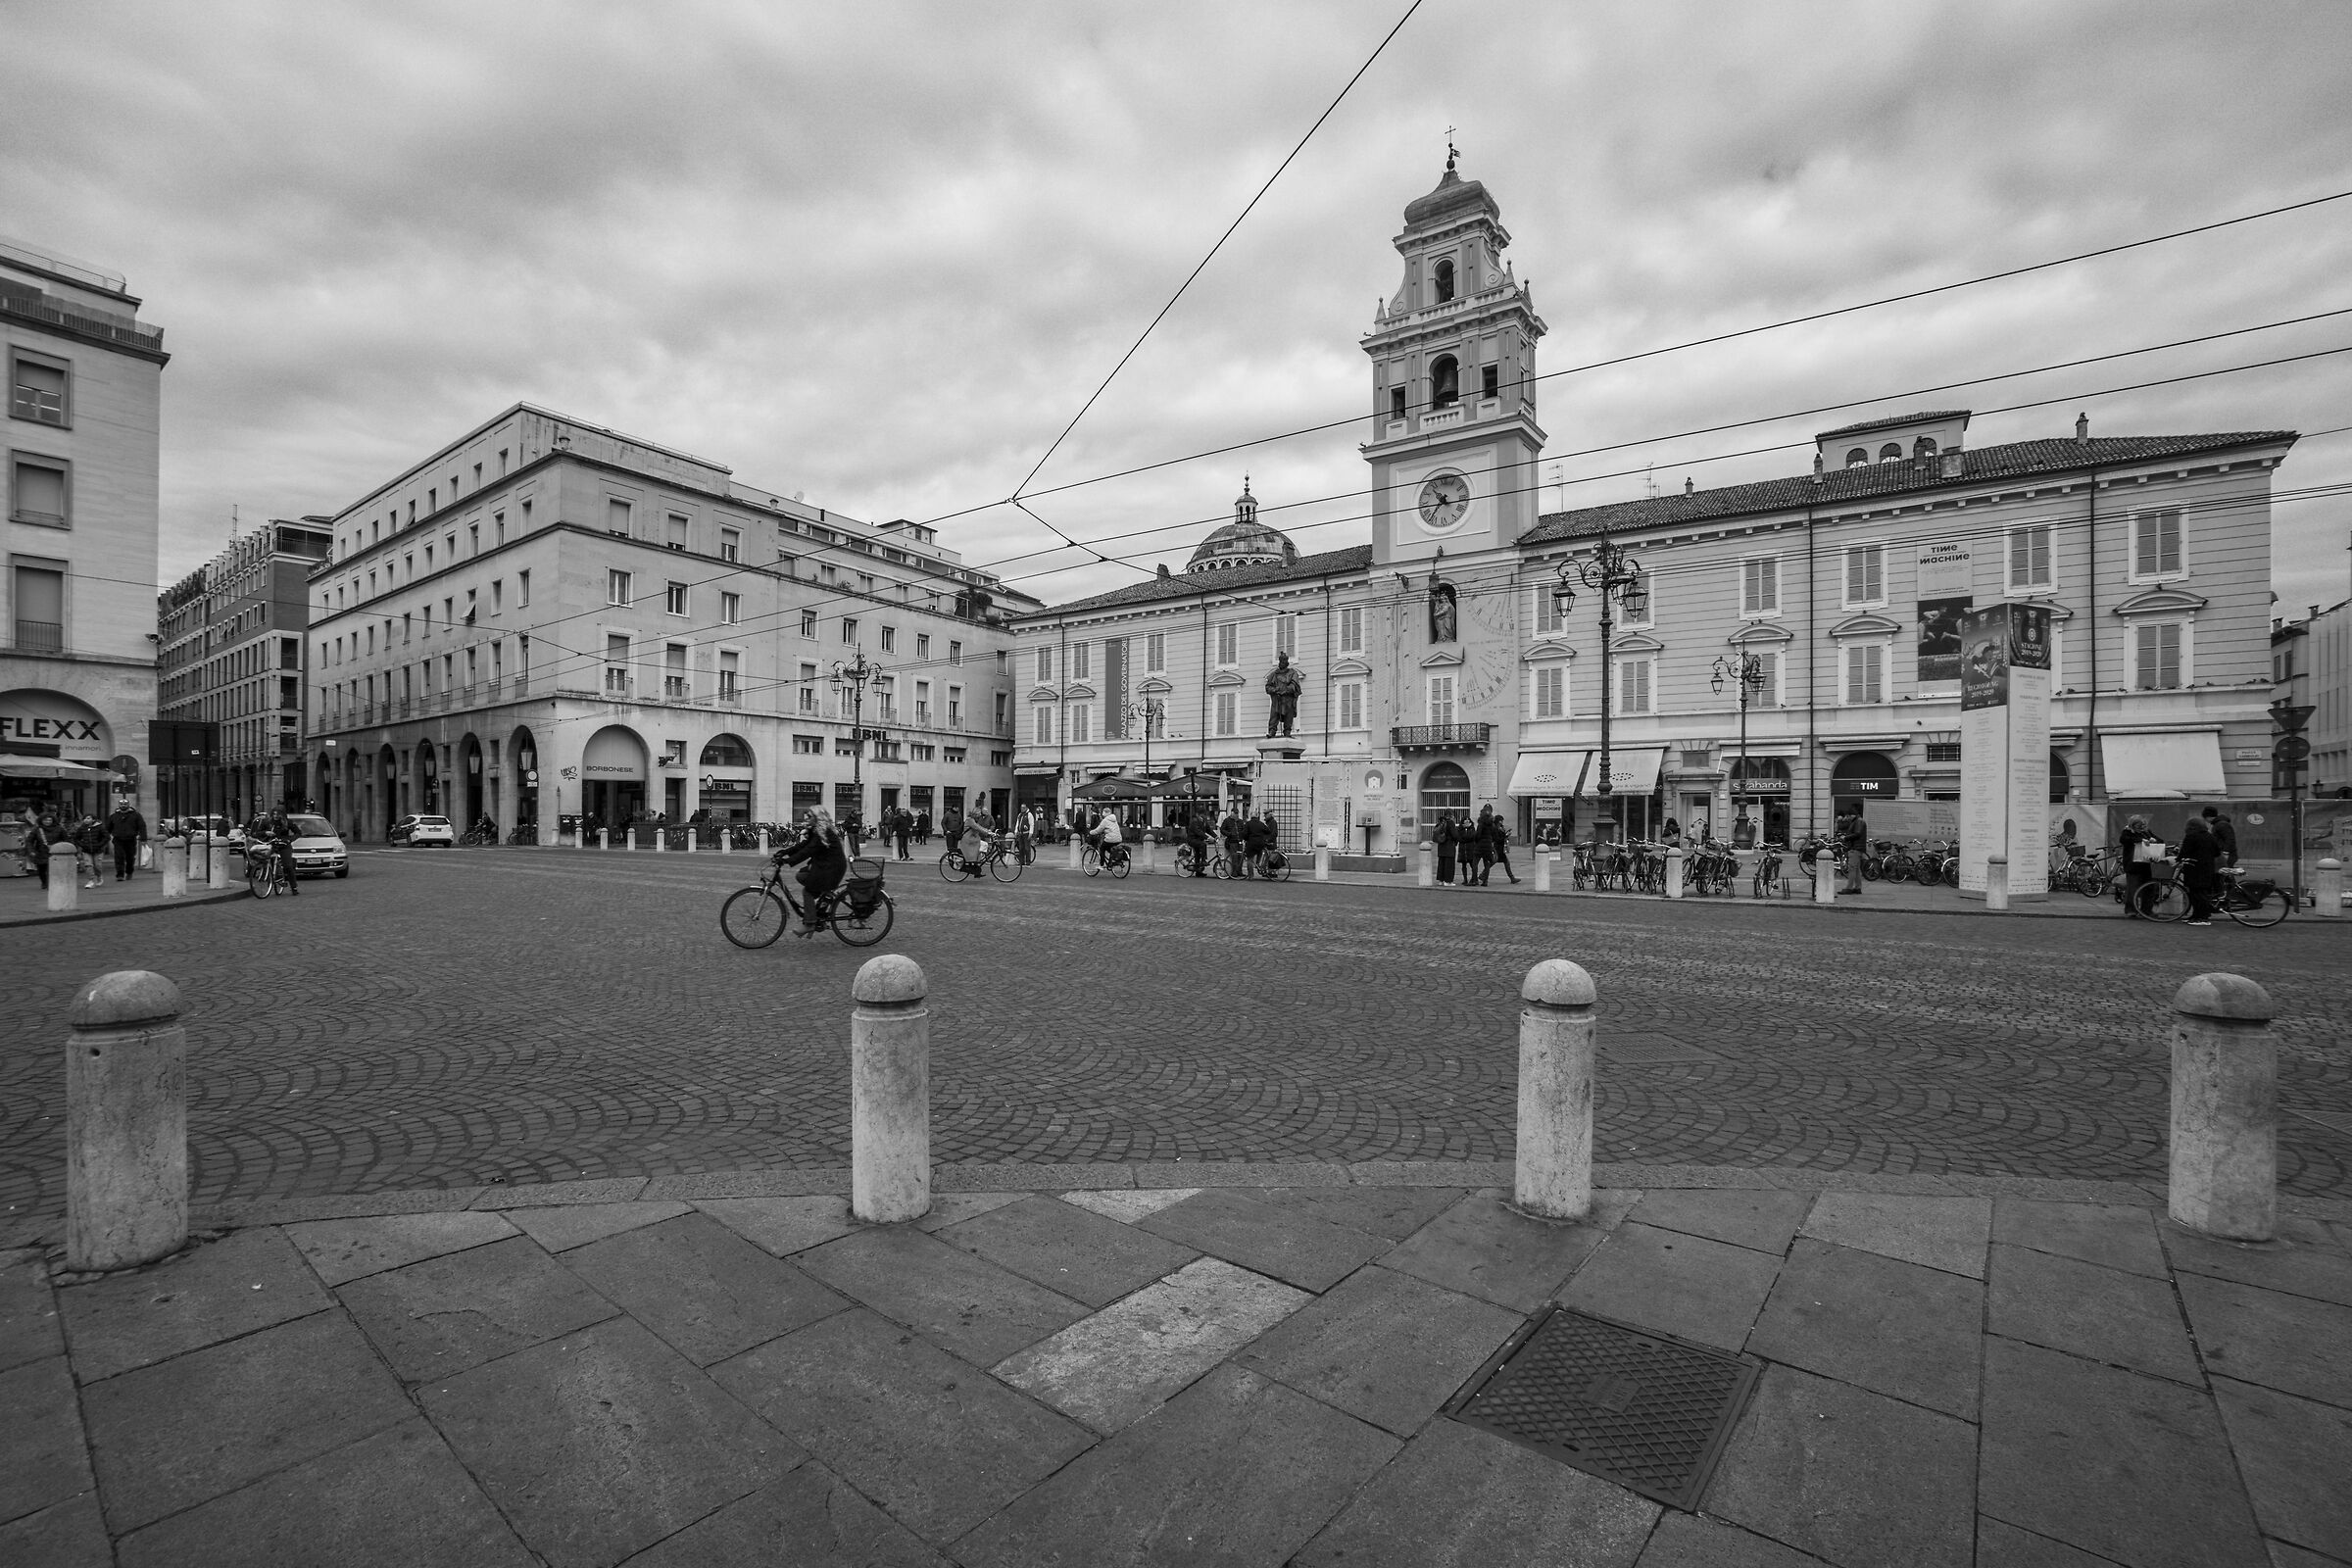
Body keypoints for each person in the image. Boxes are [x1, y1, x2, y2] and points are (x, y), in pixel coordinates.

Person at [778, 809, 848, 929]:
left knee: (808, 891)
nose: (806, 819)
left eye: (809, 817)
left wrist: (787, 861)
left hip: (832, 868)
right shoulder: (817, 831)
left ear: (817, 818)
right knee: (801, 875)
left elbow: (808, 851)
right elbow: (803, 845)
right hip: (826, 865)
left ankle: (810, 923)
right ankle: (825, 897)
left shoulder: (823, 832)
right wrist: (784, 852)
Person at [2179, 814, 2221, 925]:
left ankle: (2202, 917)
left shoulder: (2191, 836)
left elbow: (2184, 852)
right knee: (2202, 893)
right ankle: (2196, 916)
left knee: (2196, 894)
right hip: (2207, 868)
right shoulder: (2210, 836)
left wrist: (2178, 859)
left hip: (2194, 868)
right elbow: (2217, 852)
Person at [2118, 813, 2158, 916]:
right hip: (2133, 865)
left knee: (2150, 888)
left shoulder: (2147, 832)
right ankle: (2131, 910)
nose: (2141, 828)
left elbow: (2159, 840)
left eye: (2143, 826)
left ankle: (2147, 910)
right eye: (2138, 826)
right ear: (2133, 825)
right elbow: (2124, 840)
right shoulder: (2127, 832)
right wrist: (2141, 840)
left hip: (2147, 865)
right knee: (2133, 888)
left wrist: (2154, 840)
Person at [107, 800, 148, 882]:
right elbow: (108, 828)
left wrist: (143, 838)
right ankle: (120, 875)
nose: (123, 805)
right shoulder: (113, 816)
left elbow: (142, 827)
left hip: (131, 839)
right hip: (118, 839)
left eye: (125, 804)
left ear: (128, 805)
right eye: (121, 804)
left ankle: (129, 872)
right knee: (119, 857)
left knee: (130, 858)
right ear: (119, 805)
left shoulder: (136, 815)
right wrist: (105, 837)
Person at [1837, 803, 1866, 895]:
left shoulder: (1858, 821)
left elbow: (1857, 834)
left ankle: (1849, 888)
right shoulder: (1857, 821)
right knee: (1856, 869)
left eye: (1848, 816)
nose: (1847, 818)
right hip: (1857, 848)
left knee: (1852, 869)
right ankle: (1857, 887)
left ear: (1851, 815)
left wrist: (1845, 838)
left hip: (1855, 848)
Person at [1487, 810, 1521, 885]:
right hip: (1498, 848)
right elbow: (1497, 839)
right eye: (1501, 821)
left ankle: (1483, 875)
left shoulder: (1500, 828)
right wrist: (1505, 836)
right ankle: (1512, 878)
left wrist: (1506, 834)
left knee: (1495, 862)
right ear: (1499, 821)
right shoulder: (1495, 828)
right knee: (1498, 862)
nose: (1502, 822)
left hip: (1500, 848)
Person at [1182, 808, 1209, 876]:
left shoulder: (1204, 821)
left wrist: (1216, 837)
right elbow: (1198, 832)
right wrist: (1207, 837)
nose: (1205, 816)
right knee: (1203, 844)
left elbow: (1209, 830)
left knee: (1198, 854)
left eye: (1205, 815)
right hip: (1192, 840)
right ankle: (1203, 861)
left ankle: (1198, 872)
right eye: (1203, 815)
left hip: (1198, 840)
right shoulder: (1194, 821)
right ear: (1199, 815)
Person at [1434, 812, 1458, 888]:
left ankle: (1441, 880)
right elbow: (1455, 835)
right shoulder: (1450, 823)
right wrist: (1457, 840)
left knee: (1441, 864)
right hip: (1449, 846)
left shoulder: (1441, 821)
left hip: (1441, 846)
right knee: (1449, 865)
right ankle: (1448, 881)